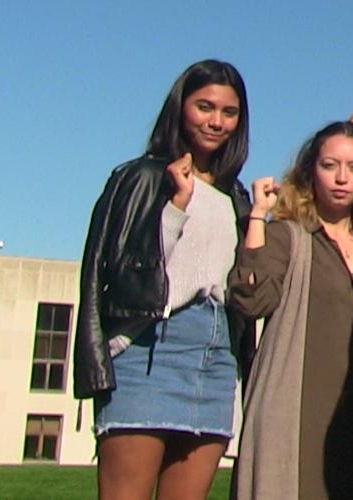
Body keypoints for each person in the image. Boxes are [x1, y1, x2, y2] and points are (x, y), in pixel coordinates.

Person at [73, 59, 251, 500]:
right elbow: (119, 270)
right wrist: (176, 206)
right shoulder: (142, 175)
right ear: (180, 107)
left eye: (229, 112)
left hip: (216, 357)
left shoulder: (237, 195)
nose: (216, 121)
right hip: (151, 349)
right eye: (204, 106)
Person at [230, 121, 353, 499]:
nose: (342, 178)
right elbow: (251, 301)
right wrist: (257, 217)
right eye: (330, 166)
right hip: (303, 408)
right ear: (310, 170)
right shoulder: (288, 236)